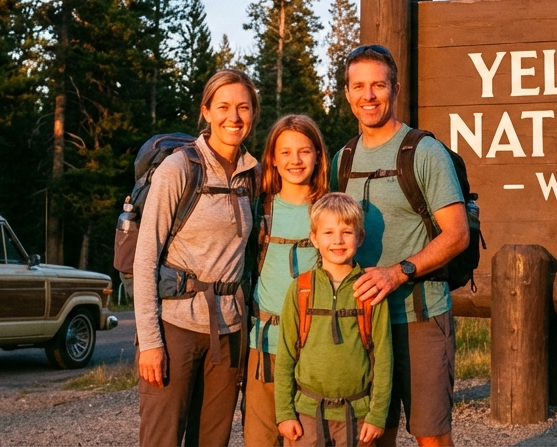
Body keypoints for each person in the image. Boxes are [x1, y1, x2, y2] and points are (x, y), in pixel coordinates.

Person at [336, 45, 469, 447]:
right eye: (359, 86)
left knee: (431, 435)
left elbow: (457, 233)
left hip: (421, 316)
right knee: (373, 435)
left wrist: (398, 273)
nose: (369, 95)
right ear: (347, 93)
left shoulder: (424, 151)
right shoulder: (341, 159)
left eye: (378, 84)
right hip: (363, 321)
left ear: (395, 88)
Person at [134, 69, 260, 447]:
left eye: (243, 107)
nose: (233, 117)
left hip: (230, 330)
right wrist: (150, 342)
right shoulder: (179, 168)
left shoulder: (251, 175)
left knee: (212, 441)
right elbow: (145, 258)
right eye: (223, 107)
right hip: (176, 326)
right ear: (206, 111)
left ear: (254, 112)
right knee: (163, 439)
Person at [275, 193, 392, 447]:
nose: (337, 241)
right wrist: (284, 413)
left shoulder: (370, 289)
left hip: (358, 417)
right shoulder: (301, 288)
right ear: (314, 238)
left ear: (360, 237)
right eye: (328, 232)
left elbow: (383, 358)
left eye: (346, 232)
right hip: (306, 414)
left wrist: (377, 414)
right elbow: (285, 354)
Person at [245, 114, 328, 446]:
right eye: (286, 152)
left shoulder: (328, 209)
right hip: (262, 344)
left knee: (307, 438)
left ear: (318, 155)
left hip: (312, 346)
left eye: (304, 151)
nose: (295, 160)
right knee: (260, 438)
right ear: (273, 160)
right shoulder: (259, 208)